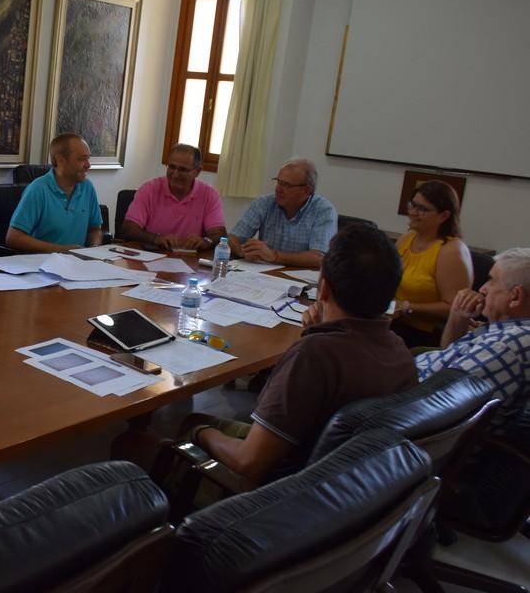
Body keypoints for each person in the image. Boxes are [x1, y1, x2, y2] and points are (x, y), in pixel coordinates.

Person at [183, 224, 416, 487]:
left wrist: (198, 433)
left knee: (186, 425)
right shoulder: (401, 353)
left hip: (277, 494)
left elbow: (249, 462)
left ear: (323, 289)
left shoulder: (313, 356)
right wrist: (318, 334)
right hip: (353, 490)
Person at [415, 248, 530, 434]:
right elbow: (448, 354)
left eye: (492, 280)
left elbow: (432, 399)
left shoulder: (505, 345)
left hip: (411, 417)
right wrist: (458, 317)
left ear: (515, 296)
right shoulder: (503, 332)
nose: (483, 288)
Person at [392, 179, 473, 347]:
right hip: (395, 322)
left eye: (422, 209)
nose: (413, 212)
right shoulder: (407, 238)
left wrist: (407, 307)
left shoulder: (452, 251)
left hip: (425, 333)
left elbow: (455, 308)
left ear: (444, 216)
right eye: (412, 205)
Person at [228, 158, 336, 269]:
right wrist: (242, 251)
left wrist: (274, 256)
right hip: (262, 273)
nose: (278, 189)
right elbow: (231, 238)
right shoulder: (264, 203)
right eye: (278, 182)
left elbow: (319, 258)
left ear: (307, 190)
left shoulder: (323, 210)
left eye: (286, 185)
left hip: (298, 277)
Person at [6, 133, 103, 252]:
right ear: (60, 160)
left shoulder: (87, 187)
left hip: (77, 261)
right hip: (41, 261)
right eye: (81, 159)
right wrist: (61, 250)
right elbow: (14, 238)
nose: (88, 165)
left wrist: (93, 249)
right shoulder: (38, 189)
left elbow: (95, 229)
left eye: (88, 158)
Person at [121, 143, 226, 251]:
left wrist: (206, 241)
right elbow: (128, 229)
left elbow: (219, 234)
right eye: (172, 167)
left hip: (190, 258)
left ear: (197, 171)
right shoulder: (149, 189)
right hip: (153, 254)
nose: (175, 174)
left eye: (183, 169)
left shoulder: (209, 195)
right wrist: (156, 238)